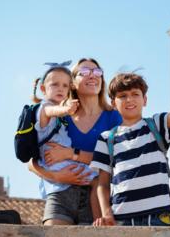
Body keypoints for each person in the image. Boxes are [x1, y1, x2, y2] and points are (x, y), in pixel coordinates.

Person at [90, 72, 170, 226]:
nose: (129, 99)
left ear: (144, 100)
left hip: (158, 215)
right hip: (122, 218)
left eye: (135, 94)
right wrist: (106, 213)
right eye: (122, 96)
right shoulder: (106, 139)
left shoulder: (156, 125)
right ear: (113, 103)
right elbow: (103, 184)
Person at [28, 58, 122, 225]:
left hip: (97, 199)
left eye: (97, 72)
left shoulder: (113, 117)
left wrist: (71, 154)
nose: (92, 76)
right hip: (60, 195)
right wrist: (55, 175)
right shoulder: (59, 115)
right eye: (85, 72)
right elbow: (30, 161)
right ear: (72, 83)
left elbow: (116, 160)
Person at [31, 61, 99, 222]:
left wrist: (70, 153)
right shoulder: (46, 108)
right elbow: (51, 110)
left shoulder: (108, 115)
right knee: (97, 180)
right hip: (58, 180)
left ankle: (100, 222)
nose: (60, 89)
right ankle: (100, 221)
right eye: (55, 85)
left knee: (97, 180)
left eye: (65, 85)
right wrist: (66, 110)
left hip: (73, 175)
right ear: (43, 89)